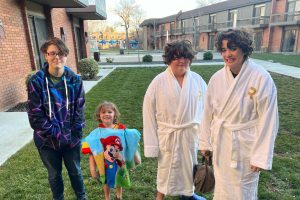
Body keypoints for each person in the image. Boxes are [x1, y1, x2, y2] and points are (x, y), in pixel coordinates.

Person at [199, 29, 279, 200]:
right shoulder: (217, 78)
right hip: (221, 144)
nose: (227, 54)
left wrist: (260, 156)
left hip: (245, 148)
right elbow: (207, 113)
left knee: (243, 191)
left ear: (243, 48)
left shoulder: (261, 78)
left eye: (232, 48)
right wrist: (205, 142)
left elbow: (269, 119)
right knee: (222, 189)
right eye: (223, 50)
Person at [143, 40, 207, 200]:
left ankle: (189, 195)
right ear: (169, 59)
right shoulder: (158, 82)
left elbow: (208, 112)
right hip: (168, 136)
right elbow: (148, 114)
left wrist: (207, 140)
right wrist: (152, 144)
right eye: (177, 57)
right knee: (165, 172)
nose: (182, 61)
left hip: (189, 136)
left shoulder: (198, 81)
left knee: (188, 169)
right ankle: (160, 197)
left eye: (186, 57)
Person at [26, 37, 87, 200]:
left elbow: (79, 111)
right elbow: (35, 115)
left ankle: (82, 197)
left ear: (66, 55)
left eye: (60, 53)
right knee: (54, 175)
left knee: (75, 171)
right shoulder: (36, 81)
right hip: (47, 141)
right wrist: (57, 134)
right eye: (52, 53)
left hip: (71, 139)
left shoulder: (75, 80)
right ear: (46, 56)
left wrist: (73, 134)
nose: (56, 57)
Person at [82, 101, 141, 200]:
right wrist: (92, 169)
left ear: (114, 114)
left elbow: (130, 141)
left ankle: (119, 195)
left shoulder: (121, 129)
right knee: (106, 181)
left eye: (109, 112)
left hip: (119, 162)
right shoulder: (96, 133)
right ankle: (107, 197)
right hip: (105, 164)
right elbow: (92, 151)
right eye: (103, 112)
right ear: (99, 115)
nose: (106, 114)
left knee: (119, 178)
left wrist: (135, 157)